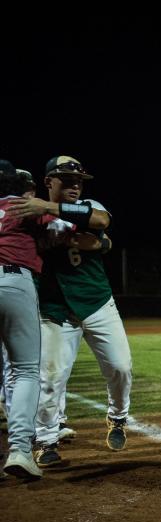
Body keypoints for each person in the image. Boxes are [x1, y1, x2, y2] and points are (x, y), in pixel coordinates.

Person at [9, 156, 132, 467]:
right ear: (49, 181)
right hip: (54, 308)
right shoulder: (29, 214)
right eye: (66, 179)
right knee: (49, 378)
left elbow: (102, 222)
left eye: (78, 180)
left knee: (120, 367)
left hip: (96, 301)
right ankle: (46, 440)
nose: (75, 185)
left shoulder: (86, 205)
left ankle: (117, 417)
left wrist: (48, 208)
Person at [0, 161, 44, 479]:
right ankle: (20, 449)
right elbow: (74, 226)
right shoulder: (21, 205)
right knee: (26, 370)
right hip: (14, 280)